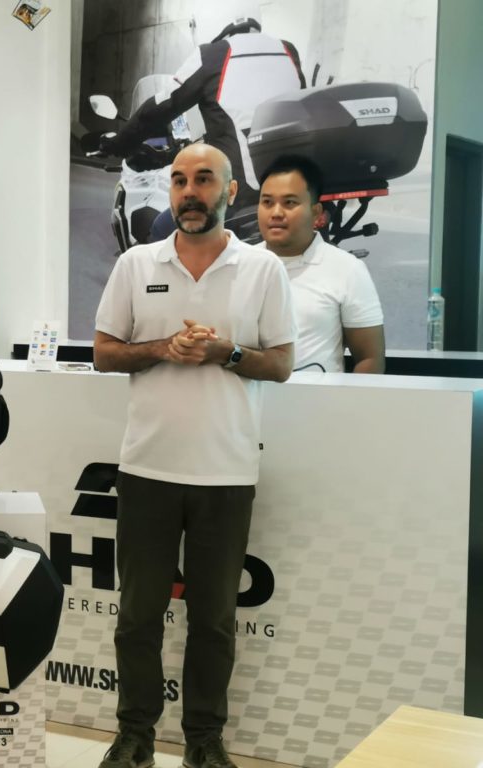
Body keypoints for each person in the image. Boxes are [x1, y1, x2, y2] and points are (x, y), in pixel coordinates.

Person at [92, 143, 294, 768]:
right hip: (147, 468)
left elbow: (280, 364)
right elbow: (104, 352)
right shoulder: (136, 263)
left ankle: (204, 741)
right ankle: (135, 736)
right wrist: (163, 348)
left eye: (204, 180)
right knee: (137, 616)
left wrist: (223, 353)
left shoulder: (262, 269)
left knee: (213, 620)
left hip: (226, 471)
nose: (189, 192)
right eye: (179, 180)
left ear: (230, 191)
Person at [100, 14, 304, 238]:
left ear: (225, 36)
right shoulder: (287, 51)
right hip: (291, 191)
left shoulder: (212, 55)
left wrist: (118, 144)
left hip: (239, 200)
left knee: (160, 229)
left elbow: (162, 105)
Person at [257, 155, 385, 373]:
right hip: (246, 394)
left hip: (319, 395)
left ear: (316, 212)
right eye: (267, 202)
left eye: (289, 203)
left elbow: (369, 358)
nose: (276, 213)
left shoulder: (347, 269)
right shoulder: (240, 264)